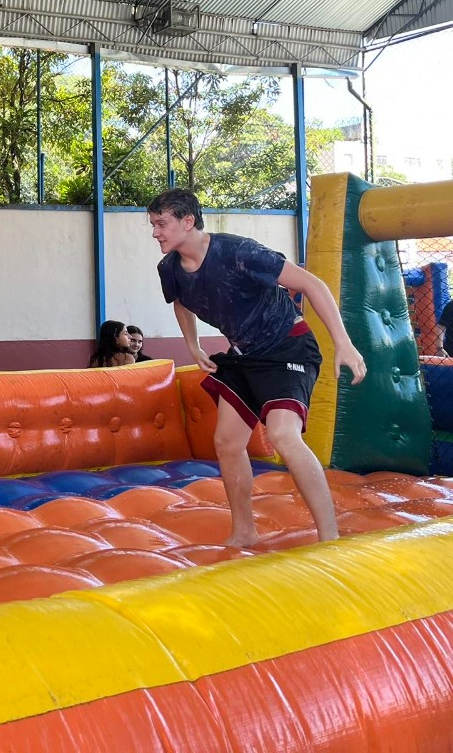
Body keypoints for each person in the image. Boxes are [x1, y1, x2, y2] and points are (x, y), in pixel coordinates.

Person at [148, 187, 366, 547]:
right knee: (227, 442)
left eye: (161, 224)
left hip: (287, 347)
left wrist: (343, 342)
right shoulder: (169, 268)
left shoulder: (238, 252)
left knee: (282, 435)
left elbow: (311, 283)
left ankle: (329, 536)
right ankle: (244, 531)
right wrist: (193, 344)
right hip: (244, 355)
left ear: (187, 222)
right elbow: (180, 302)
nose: (155, 232)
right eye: (153, 225)